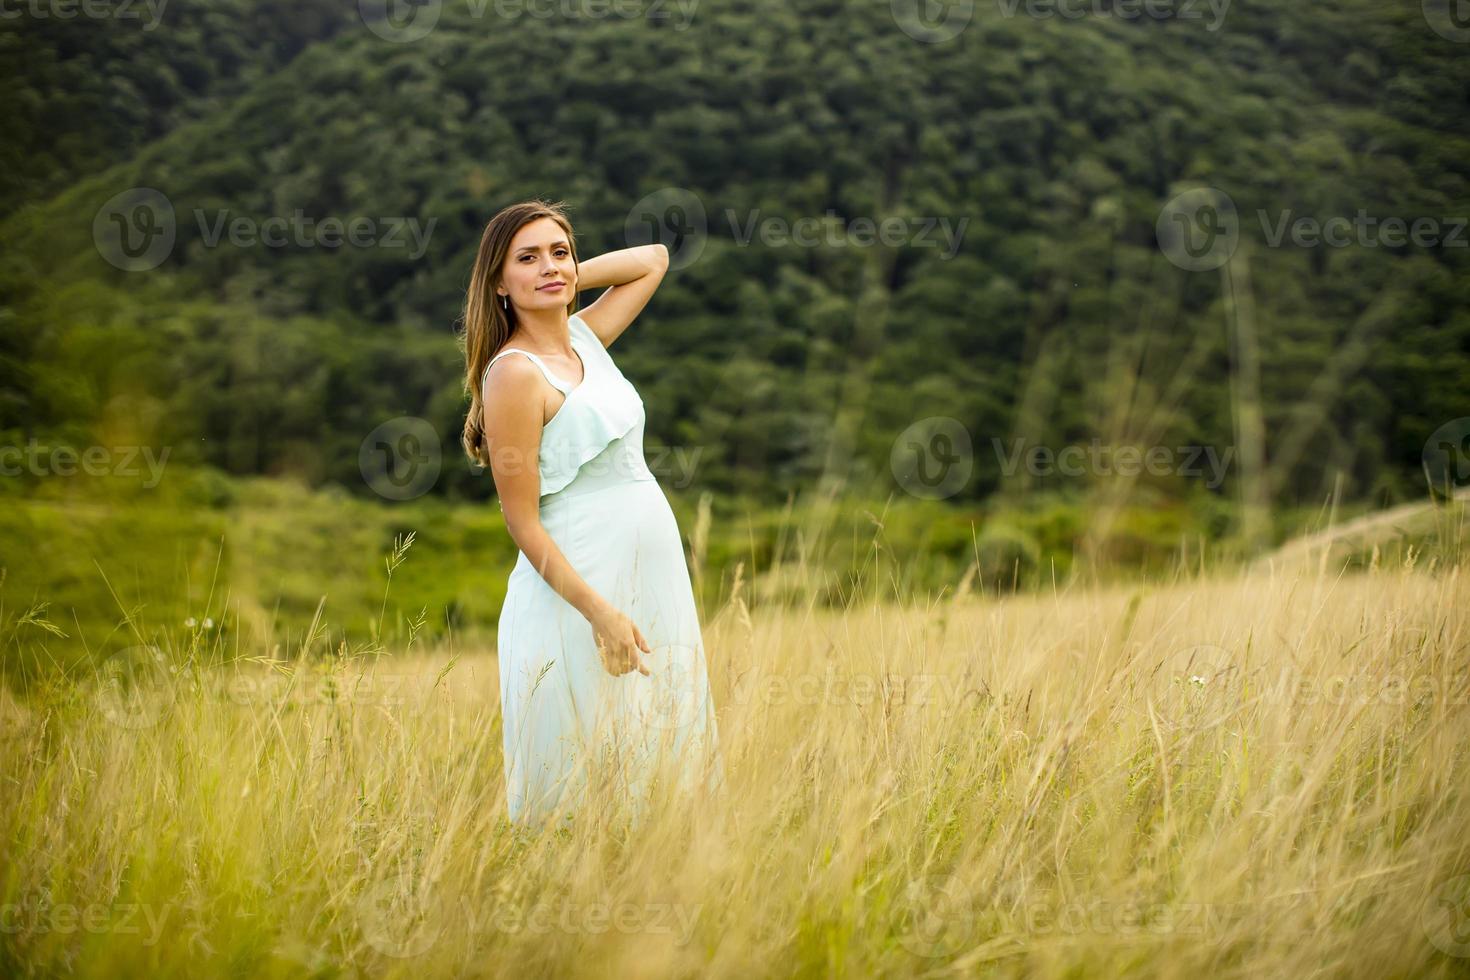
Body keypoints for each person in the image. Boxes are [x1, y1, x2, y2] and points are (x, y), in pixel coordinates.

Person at [459, 199, 723, 830]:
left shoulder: (585, 339)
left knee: (657, 751)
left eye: (560, 252)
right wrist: (600, 613)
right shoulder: (514, 375)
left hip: (651, 581)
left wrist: (566, 282)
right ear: (498, 281)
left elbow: (652, 259)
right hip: (577, 593)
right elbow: (522, 522)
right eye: (527, 259)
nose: (550, 267)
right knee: (585, 778)